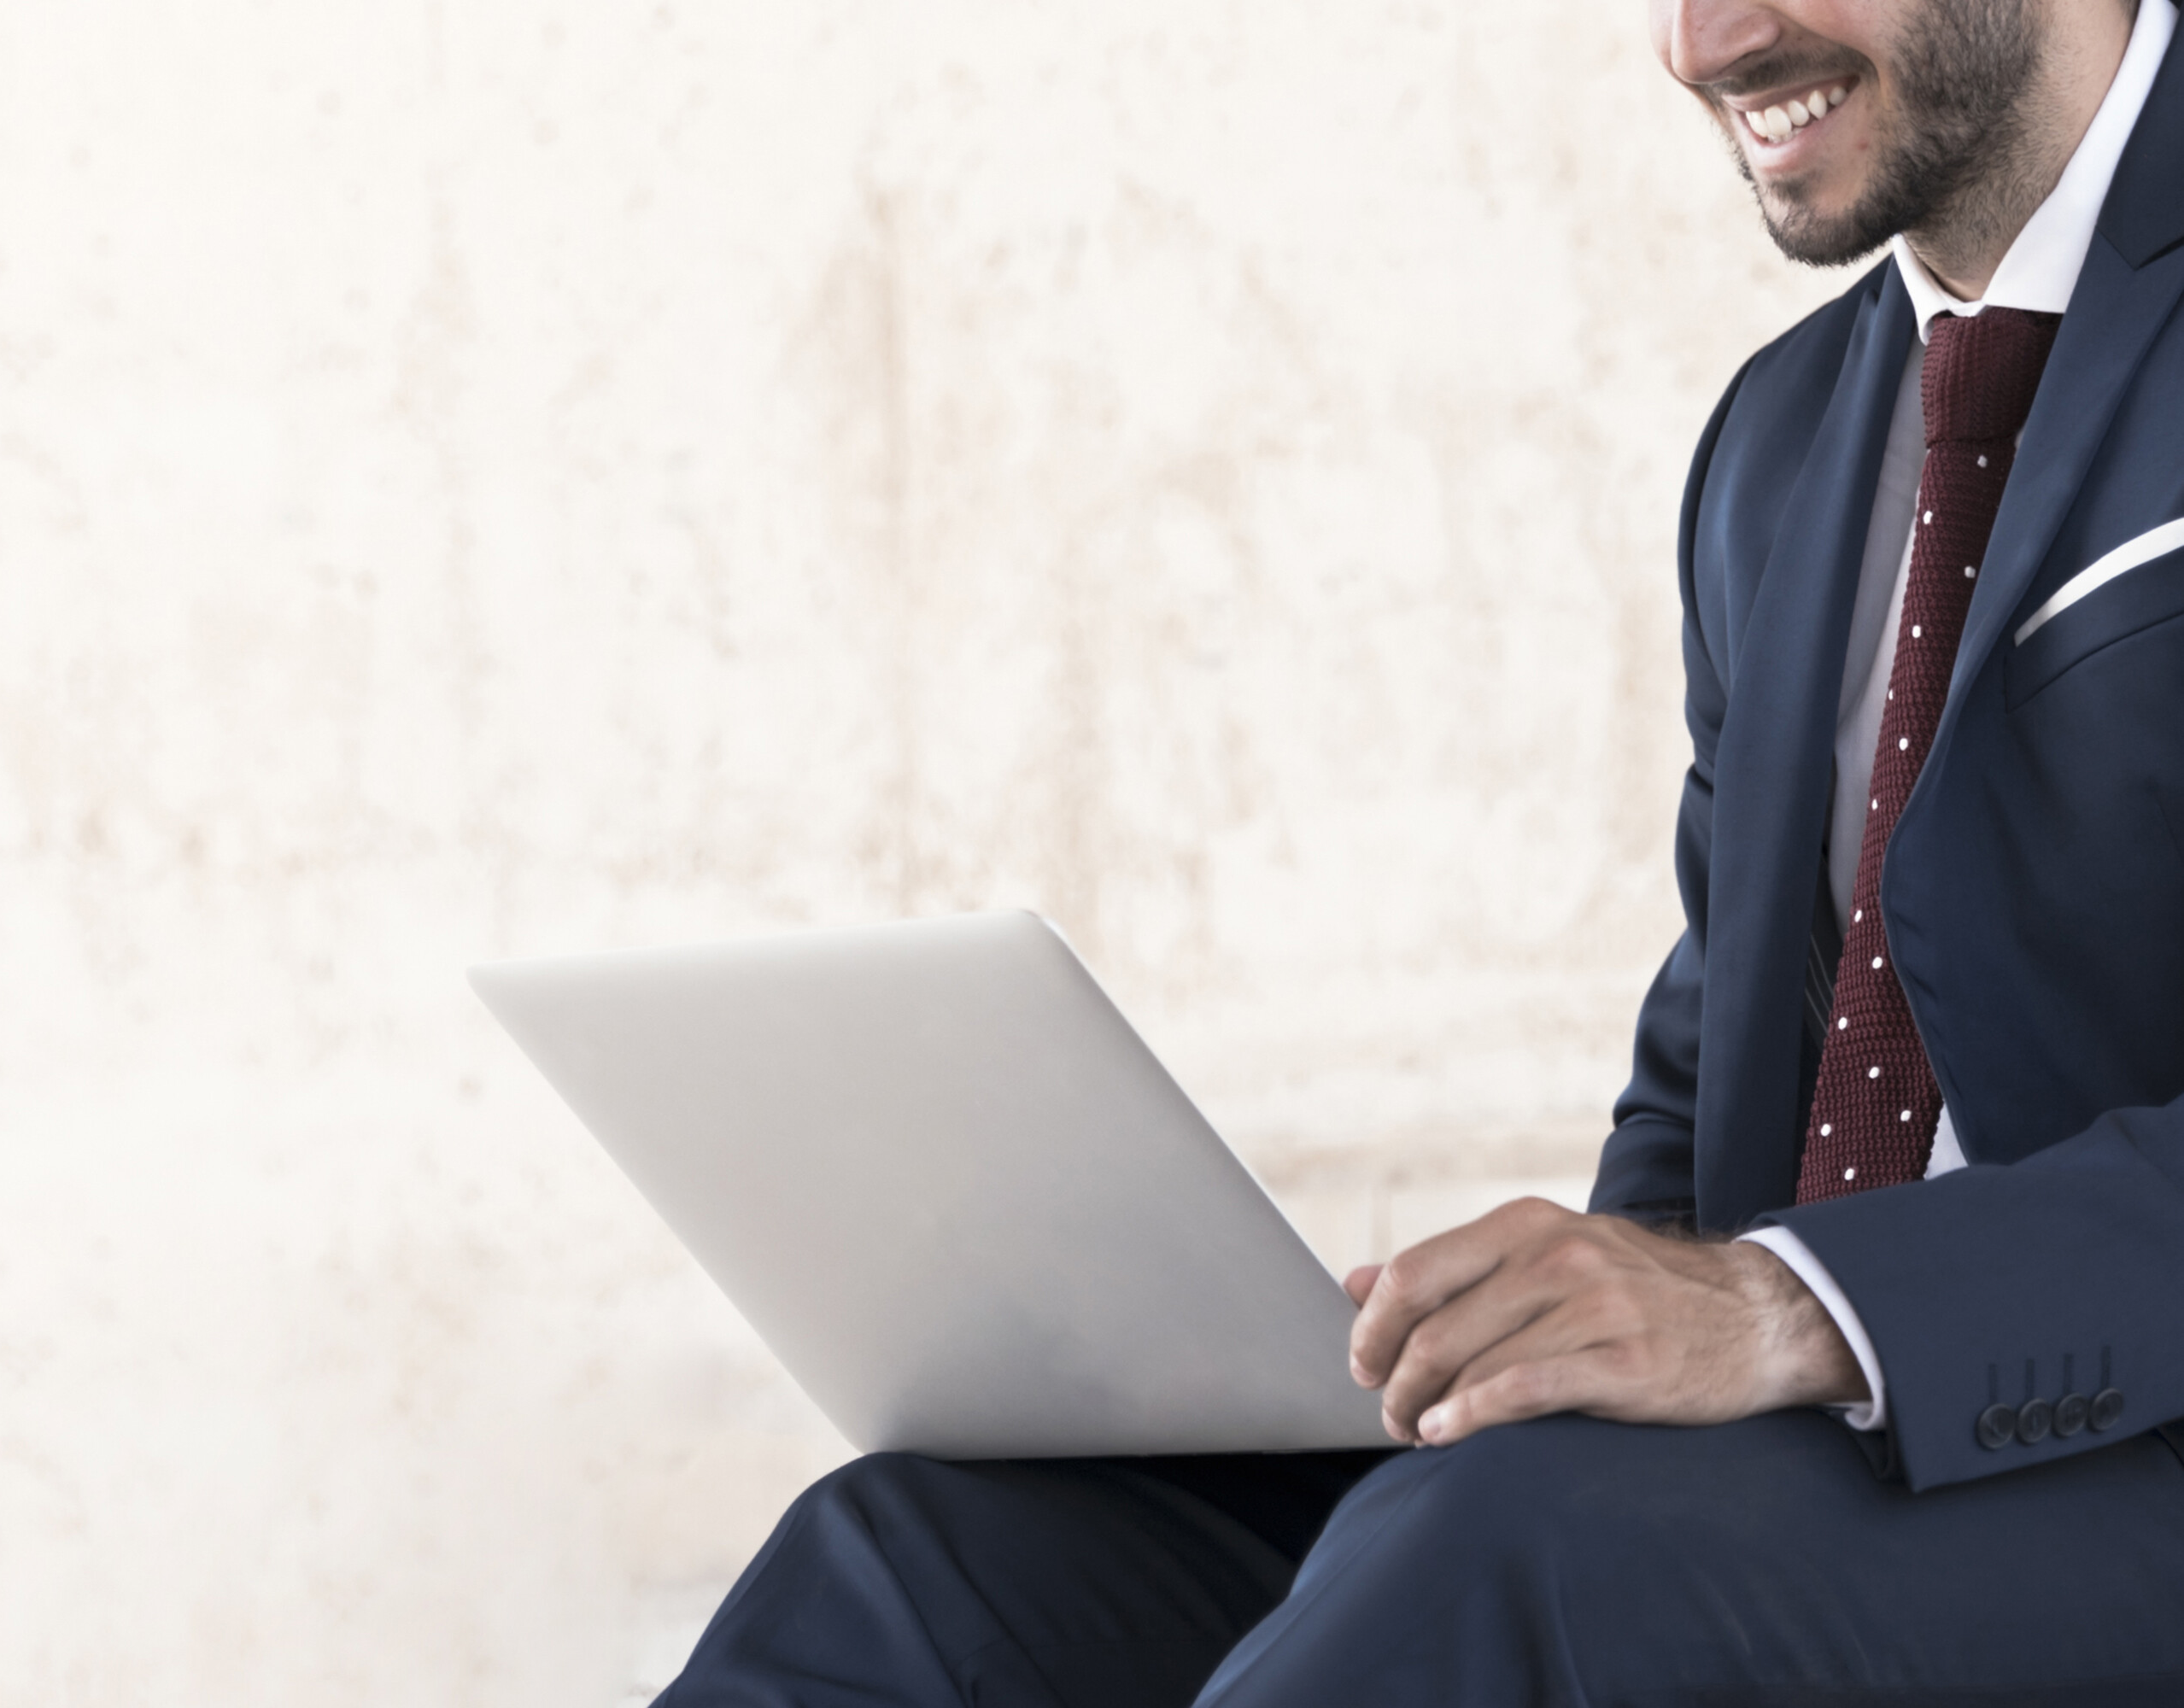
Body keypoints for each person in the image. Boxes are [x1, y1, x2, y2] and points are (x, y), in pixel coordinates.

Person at [653, 0, 2184, 1699]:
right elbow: (1708, 1078)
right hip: (1793, 1455)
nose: (1701, 42)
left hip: (2126, 1447)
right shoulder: (1778, 445)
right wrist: (1540, 1328)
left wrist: (1783, 1306)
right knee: (924, 1555)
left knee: (1501, 1552)